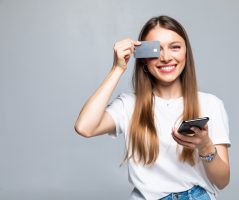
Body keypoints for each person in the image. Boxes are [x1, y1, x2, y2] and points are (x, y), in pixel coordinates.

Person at [74, 15, 230, 200]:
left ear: (186, 54)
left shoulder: (210, 104)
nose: (165, 57)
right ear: (143, 58)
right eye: (156, 50)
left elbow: (222, 181)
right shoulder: (128, 105)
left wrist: (205, 146)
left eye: (175, 47)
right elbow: (84, 127)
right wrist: (117, 69)